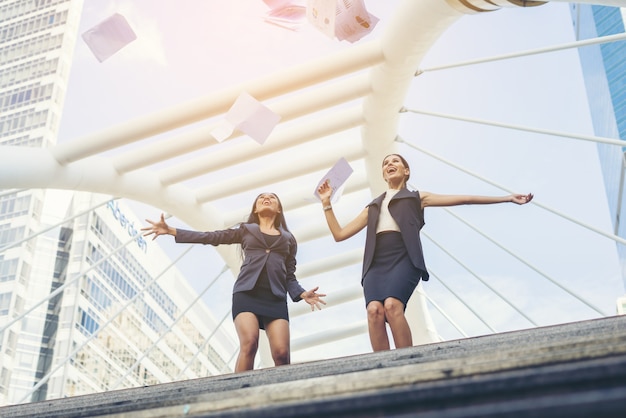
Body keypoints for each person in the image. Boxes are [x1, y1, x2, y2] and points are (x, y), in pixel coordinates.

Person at [317, 153, 533, 352]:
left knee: (392, 305)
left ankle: (407, 363)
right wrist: (327, 204)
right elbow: (340, 234)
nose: (389, 164)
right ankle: (382, 370)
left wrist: (506, 198)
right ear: (383, 174)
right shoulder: (373, 206)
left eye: (395, 161)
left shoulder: (417, 198)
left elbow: (464, 199)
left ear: (406, 171)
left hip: (404, 259)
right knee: (374, 310)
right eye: (385, 163)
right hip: (376, 264)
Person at [142, 192, 326, 372]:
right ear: (255, 208)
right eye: (261, 198)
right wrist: (172, 230)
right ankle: (239, 396)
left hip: (275, 299)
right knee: (250, 344)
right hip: (247, 295)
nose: (266, 199)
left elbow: (289, 277)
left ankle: (286, 398)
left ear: (278, 209)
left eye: (272, 197)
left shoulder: (289, 239)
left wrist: (302, 293)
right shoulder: (246, 230)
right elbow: (211, 237)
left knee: (282, 354)